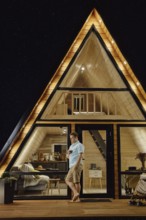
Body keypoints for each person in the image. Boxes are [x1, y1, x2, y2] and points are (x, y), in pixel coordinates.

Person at [65, 131, 84, 202]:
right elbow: (69, 157)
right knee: (67, 180)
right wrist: (67, 154)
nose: (71, 139)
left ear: (76, 137)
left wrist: (76, 165)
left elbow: (80, 156)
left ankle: (77, 198)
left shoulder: (79, 145)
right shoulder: (71, 146)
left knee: (76, 181)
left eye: (72, 138)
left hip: (77, 165)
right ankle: (76, 193)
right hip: (72, 165)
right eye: (70, 138)